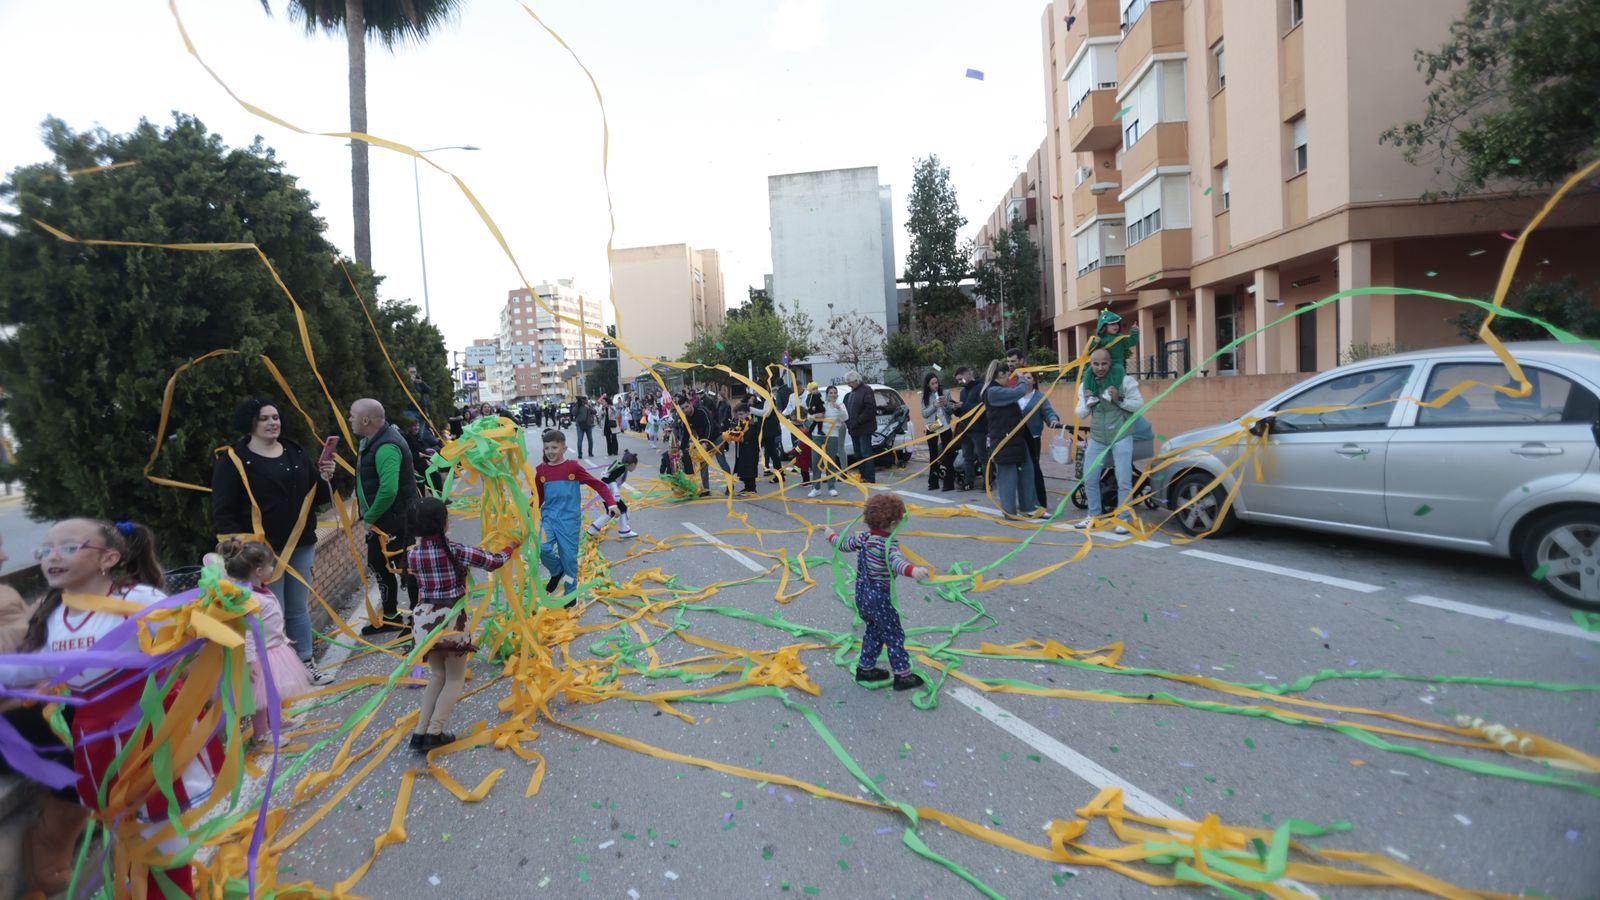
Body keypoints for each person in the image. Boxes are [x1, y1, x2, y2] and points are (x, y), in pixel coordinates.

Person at [0, 519, 222, 898]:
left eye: (68, 548)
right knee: (129, 831)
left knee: (164, 835)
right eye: (45, 551)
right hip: (97, 739)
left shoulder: (137, 599)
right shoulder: (55, 616)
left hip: (146, 734)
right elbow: (40, 667)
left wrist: (220, 609)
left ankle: (175, 892)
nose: (52, 557)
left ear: (109, 558)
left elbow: (185, 633)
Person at [211, 398, 334, 684]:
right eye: (264, 418)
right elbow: (224, 511)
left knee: (298, 607)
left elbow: (317, 496)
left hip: (301, 543)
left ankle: (306, 662)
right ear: (250, 423)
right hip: (261, 553)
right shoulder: (233, 460)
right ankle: (275, 675)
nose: (272, 423)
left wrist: (327, 478)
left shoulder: (295, 451)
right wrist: (239, 550)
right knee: (271, 611)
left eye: (275, 417)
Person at [405, 497, 519, 749]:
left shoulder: (411, 554)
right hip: (451, 621)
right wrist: (511, 547)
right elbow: (494, 561)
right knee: (455, 679)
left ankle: (419, 732)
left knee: (437, 675)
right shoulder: (456, 550)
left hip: (423, 622)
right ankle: (434, 733)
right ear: (444, 523)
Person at [321, 399, 418, 637]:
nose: (349, 419)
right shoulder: (372, 441)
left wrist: (370, 516)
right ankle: (391, 616)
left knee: (406, 569)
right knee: (379, 564)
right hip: (386, 519)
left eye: (352, 415)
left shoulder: (386, 446)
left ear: (366, 420)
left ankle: (418, 618)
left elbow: (389, 490)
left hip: (395, 521)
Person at [825, 493, 931, 691]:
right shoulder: (888, 545)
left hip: (862, 596)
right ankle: (903, 675)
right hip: (880, 599)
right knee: (894, 634)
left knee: (874, 631)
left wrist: (831, 535)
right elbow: (897, 563)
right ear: (892, 523)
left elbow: (843, 545)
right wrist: (914, 571)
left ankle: (865, 669)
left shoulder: (863, 538)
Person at [214, 539, 313, 744]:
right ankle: (261, 732)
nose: (272, 569)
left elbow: (271, 621)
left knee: (273, 692)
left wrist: (283, 639)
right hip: (260, 656)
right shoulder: (249, 597)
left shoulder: (260, 590)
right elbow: (249, 632)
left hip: (274, 650)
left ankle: (276, 721)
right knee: (261, 698)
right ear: (258, 571)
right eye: (270, 565)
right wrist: (250, 661)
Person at [534, 429, 620, 606]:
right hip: (549, 518)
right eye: (547, 448)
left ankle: (570, 593)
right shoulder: (541, 471)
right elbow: (538, 497)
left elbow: (598, 485)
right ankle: (556, 571)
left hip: (569, 522)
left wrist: (611, 503)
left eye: (554, 447)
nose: (550, 451)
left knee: (569, 560)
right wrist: (527, 510)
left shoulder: (572, 468)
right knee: (543, 548)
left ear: (564, 448)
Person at [1070, 349, 1146, 534]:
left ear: (1110, 363)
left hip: (1121, 435)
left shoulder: (1124, 380)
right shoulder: (1086, 384)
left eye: (1104, 363)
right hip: (1098, 437)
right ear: (1090, 364)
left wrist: (1118, 399)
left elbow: (1139, 404)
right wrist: (1087, 402)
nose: (1100, 368)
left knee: (1123, 479)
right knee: (1089, 477)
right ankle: (1093, 515)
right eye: (1096, 364)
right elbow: (1080, 413)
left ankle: (1123, 518)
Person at [982, 358, 1038, 518]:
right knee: (1008, 477)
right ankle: (1009, 512)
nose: (1009, 379)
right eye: (1007, 376)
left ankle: (1028, 507)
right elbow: (1018, 392)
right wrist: (1021, 379)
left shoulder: (999, 389)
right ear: (1001, 374)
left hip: (1015, 439)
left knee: (1027, 472)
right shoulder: (993, 391)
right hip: (1003, 441)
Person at [1018, 371, 1063, 508]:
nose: (1025, 380)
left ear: (1034, 381)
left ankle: (1040, 502)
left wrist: (1053, 419)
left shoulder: (1039, 397)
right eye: (1023, 377)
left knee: (1034, 470)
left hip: (1033, 438)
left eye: (1028, 377)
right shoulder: (1015, 395)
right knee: (1019, 470)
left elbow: (1048, 412)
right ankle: (1024, 501)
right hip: (1017, 439)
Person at [587, 450, 641, 539]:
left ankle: (592, 530)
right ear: (633, 464)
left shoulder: (619, 466)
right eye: (635, 466)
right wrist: (616, 494)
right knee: (623, 509)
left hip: (605, 492)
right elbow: (610, 479)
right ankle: (624, 531)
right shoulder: (622, 468)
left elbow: (608, 477)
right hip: (607, 493)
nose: (634, 468)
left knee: (611, 512)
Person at [951, 366, 987, 491]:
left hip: (979, 429)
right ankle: (968, 482)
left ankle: (987, 482)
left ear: (968, 375)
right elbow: (963, 412)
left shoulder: (981, 387)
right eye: (957, 380)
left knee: (983, 457)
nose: (959, 382)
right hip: (965, 430)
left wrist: (964, 405)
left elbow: (982, 407)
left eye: (960, 379)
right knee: (967, 457)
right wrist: (956, 409)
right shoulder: (963, 392)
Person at [920, 372, 956, 492]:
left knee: (948, 453)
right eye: (932, 383)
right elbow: (924, 413)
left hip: (944, 424)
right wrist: (934, 406)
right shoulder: (924, 396)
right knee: (933, 455)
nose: (935, 385)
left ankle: (949, 483)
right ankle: (933, 482)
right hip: (933, 425)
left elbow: (951, 411)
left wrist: (946, 405)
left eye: (936, 382)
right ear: (928, 385)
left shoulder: (945, 393)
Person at [808, 384, 846, 498]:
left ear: (837, 395)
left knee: (831, 461)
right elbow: (808, 416)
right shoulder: (820, 403)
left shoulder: (840, 405)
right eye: (831, 393)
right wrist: (816, 415)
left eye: (835, 393)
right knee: (816, 461)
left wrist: (838, 408)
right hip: (817, 435)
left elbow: (845, 418)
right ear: (827, 394)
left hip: (832, 436)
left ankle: (831, 487)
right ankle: (816, 488)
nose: (833, 395)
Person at [1087, 309, 1139, 387]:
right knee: (1089, 372)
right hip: (1102, 365)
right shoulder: (1100, 339)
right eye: (1112, 324)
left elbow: (1132, 341)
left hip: (1116, 364)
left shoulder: (1120, 339)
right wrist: (1095, 343)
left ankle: (1112, 389)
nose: (1116, 326)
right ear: (1104, 326)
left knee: (1119, 370)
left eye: (1117, 324)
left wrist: (1134, 332)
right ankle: (1088, 390)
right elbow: (1091, 352)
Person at [843, 371, 877, 484]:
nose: (849, 385)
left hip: (864, 428)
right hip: (854, 429)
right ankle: (863, 476)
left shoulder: (866, 390)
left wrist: (858, 420)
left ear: (857, 380)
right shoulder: (853, 392)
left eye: (850, 382)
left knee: (865, 453)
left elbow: (870, 409)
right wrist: (849, 423)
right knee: (858, 454)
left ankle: (870, 477)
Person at [727, 404, 760, 496]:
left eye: (741, 414)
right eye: (738, 414)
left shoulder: (752, 422)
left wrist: (738, 436)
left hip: (751, 450)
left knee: (750, 469)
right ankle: (747, 487)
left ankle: (752, 488)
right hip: (742, 450)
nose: (740, 416)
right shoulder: (741, 422)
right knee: (743, 469)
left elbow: (749, 435)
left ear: (748, 413)